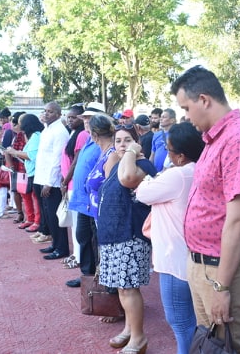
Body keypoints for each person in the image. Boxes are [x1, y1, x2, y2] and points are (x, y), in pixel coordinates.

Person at [171, 65, 240, 354]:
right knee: (211, 344)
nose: (186, 117)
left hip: (223, 269)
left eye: (186, 108)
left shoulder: (239, 138)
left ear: (204, 100)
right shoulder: (217, 138)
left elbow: (239, 221)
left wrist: (222, 287)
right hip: (205, 264)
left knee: (229, 346)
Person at [135, 122, 204, 354]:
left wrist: (149, 177)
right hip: (192, 256)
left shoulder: (178, 174)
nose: (166, 153)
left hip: (174, 260)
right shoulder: (200, 169)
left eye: (169, 149)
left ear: (182, 155)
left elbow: (142, 193)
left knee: (181, 323)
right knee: (194, 321)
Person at [97, 125, 157, 354]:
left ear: (137, 142)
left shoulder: (141, 164)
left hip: (130, 235)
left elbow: (129, 180)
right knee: (122, 289)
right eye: (119, 141)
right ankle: (130, 330)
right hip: (113, 234)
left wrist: (132, 152)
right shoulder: (119, 164)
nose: (123, 145)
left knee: (129, 289)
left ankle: (139, 337)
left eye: (128, 140)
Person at [66, 102, 107, 290]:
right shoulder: (89, 140)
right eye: (85, 119)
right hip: (83, 201)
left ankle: (98, 279)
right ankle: (87, 275)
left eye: (90, 118)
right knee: (83, 237)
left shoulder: (105, 144)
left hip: (95, 202)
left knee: (95, 240)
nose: (86, 122)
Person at [34, 102, 70, 260]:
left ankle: (61, 248)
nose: (46, 114)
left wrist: (49, 182)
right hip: (43, 178)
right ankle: (55, 244)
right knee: (49, 215)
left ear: (58, 114)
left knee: (55, 216)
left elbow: (57, 159)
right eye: (45, 111)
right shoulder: (47, 129)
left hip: (53, 182)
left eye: (50, 112)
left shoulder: (60, 131)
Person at [59, 104, 89, 269]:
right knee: (74, 224)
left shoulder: (82, 135)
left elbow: (77, 161)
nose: (70, 120)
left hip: (73, 184)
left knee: (78, 224)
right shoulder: (73, 133)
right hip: (69, 182)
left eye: (74, 117)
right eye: (68, 117)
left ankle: (79, 257)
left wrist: (65, 181)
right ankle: (76, 254)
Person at [7, 113, 43, 233]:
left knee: (35, 197)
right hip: (24, 169)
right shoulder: (27, 136)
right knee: (25, 195)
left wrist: (15, 152)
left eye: (21, 122)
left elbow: (31, 155)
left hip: (34, 171)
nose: (18, 124)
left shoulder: (36, 136)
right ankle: (30, 218)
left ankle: (37, 221)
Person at [150, 108, 176, 172]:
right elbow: (153, 154)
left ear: (172, 120)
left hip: (171, 172)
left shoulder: (177, 134)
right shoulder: (156, 135)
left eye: (164, 117)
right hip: (156, 172)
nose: (161, 119)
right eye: (161, 117)